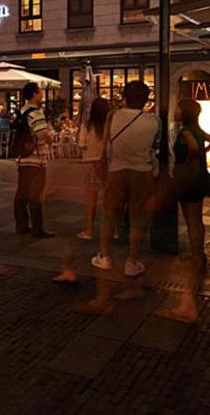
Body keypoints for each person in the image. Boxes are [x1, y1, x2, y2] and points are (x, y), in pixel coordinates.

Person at [157, 98, 210, 322]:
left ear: (184, 112)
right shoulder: (198, 129)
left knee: (191, 218)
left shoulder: (185, 132)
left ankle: (196, 256)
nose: (175, 112)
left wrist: (190, 160)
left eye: (178, 109)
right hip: (200, 176)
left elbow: (192, 147)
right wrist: (201, 156)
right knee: (196, 218)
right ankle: (198, 254)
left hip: (189, 179)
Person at [93, 80, 160, 277]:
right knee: (138, 217)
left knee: (109, 215)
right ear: (146, 99)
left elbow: (105, 144)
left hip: (117, 171)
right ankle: (132, 261)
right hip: (143, 172)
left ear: (124, 97)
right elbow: (156, 147)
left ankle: (105, 257)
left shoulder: (113, 116)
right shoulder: (154, 121)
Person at [13, 82, 55, 238]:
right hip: (35, 158)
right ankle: (38, 228)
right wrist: (51, 136)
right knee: (35, 194)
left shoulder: (22, 111)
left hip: (23, 157)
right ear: (35, 93)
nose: (42, 95)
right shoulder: (36, 113)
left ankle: (21, 225)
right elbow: (42, 135)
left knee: (22, 192)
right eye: (40, 92)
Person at [76, 97, 112, 241]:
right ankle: (112, 229)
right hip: (106, 164)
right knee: (108, 199)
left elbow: (81, 144)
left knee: (91, 200)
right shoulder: (110, 126)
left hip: (91, 164)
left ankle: (89, 230)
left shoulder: (87, 126)